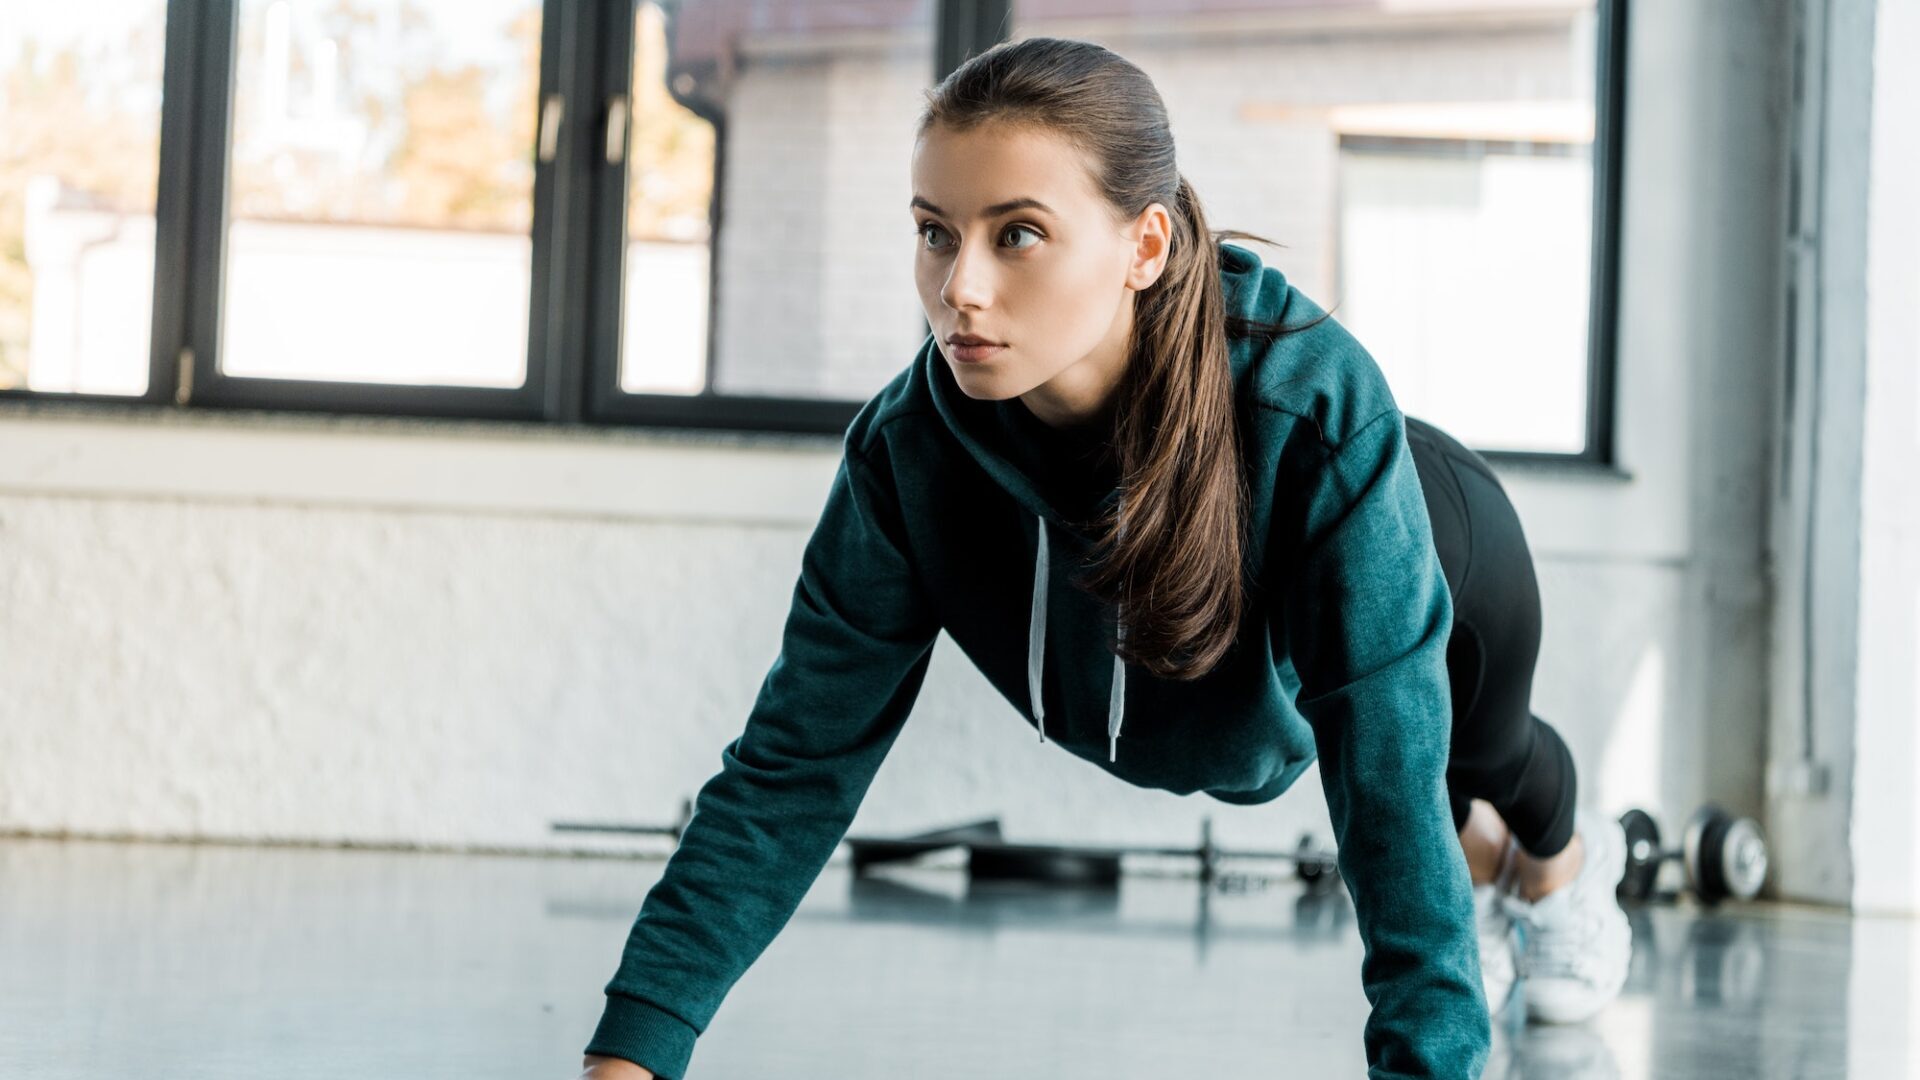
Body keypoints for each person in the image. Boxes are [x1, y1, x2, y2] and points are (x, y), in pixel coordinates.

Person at [576, 35, 1632, 1080]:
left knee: (1476, 765)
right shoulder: (910, 458)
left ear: (1146, 246)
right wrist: (630, 1057)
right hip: (1262, 679)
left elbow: (1386, 792)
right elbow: (791, 770)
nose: (961, 289)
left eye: (1019, 234)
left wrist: (1432, 1057)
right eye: (936, 234)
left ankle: (1561, 871)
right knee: (1441, 830)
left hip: (1442, 542)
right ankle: (1483, 863)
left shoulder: (1315, 416)